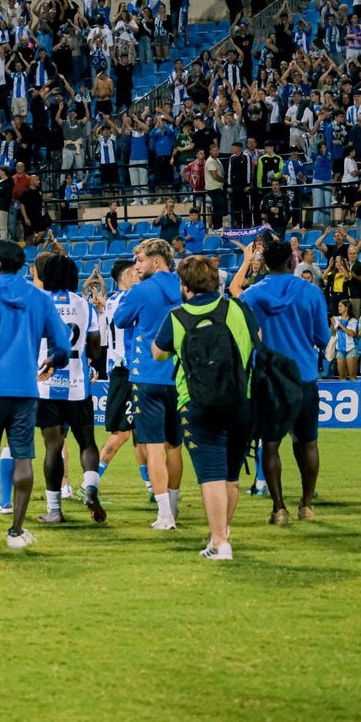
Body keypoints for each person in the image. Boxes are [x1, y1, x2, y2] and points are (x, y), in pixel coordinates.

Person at [0, 240, 70, 550]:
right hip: (25, 390)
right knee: (23, 456)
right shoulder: (39, 298)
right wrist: (55, 360)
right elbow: (62, 344)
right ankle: (17, 531)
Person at [152, 255, 259, 560]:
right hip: (241, 400)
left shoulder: (176, 316)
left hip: (196, 403)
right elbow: (258, 340)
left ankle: (219, 542)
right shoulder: (238, 308)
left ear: (185, 286)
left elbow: (158, 353)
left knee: (210, 475)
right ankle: (221, 534)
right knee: (232, 476)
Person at [232, 240, 329, 524]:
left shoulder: (253, 295)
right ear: (292, 263)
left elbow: (242, 321)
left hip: (269, 378)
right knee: (308, 443)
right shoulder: (311, 292)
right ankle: (306, 505)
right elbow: (322, 338)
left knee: (270, 445)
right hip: (304, 376)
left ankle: (279, 509)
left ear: (268, 265)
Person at [114, 238, 184, 530]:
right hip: (179, 377)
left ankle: (165, 515)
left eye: (140, 260)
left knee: (153, 446)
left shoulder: (141, 290)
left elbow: (120, 320)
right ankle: (174, 504)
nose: (136, 266)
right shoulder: (185, 287)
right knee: (175, 446)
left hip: (147, 377)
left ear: (157, 261)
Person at [32, 252, 106, 524]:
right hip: (78, 386)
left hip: (46, 386)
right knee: (87, 443)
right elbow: (96, 348)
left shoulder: (39, 304)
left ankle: (54, 510)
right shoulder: (84, 305)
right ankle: (91, 488)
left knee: (53, 447)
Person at [96, 260, 150, 498]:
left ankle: (151, 486)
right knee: (123, 432)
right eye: (135, 271)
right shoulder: (126, 301)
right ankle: (90, 483)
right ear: (127, 274)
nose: (139, 274)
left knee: (139, 432)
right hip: (126, 371)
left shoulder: (112, 301)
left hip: (121, 370)